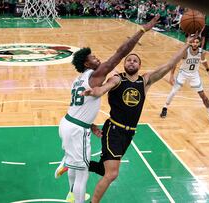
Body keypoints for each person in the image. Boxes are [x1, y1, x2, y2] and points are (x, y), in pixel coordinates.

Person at [54, 15, 160, 203]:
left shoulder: (79, 79)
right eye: (93, 57)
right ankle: (77, 198)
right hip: (77, 130)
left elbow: (79, 107)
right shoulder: (96, 74)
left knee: (79, 166)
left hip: (69, 123)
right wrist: (142, 30)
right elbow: (121, 52)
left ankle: (70, 187)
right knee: (83, 174)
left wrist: (91, 124)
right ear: (87, 64)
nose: (97, 58)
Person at [81, 34, 197, 203]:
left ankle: (73, 163)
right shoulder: (117, 78)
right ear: (124, 64)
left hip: (129, 134)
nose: (132, 62)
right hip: (114, 130)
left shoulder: (145, 81)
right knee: (112, 174)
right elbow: (103, 89)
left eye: (135, 60)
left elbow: (170, 64)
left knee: (103, 169)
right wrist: (94, 91)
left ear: (140, 65)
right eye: (129, 60)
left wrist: (186, 45)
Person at [160, 37, 209, 124]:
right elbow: (175, 62)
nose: (195, 44)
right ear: (191, 43)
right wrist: (171, 75)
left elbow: (204, 61)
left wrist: (208, 71)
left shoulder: (201, 52)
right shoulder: (185, 52)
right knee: (174, 91)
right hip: (183, 73)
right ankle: (165, 107)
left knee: (203, 95)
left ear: (199, 43)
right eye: (193, 42)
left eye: (197, 42)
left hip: (194, 75)